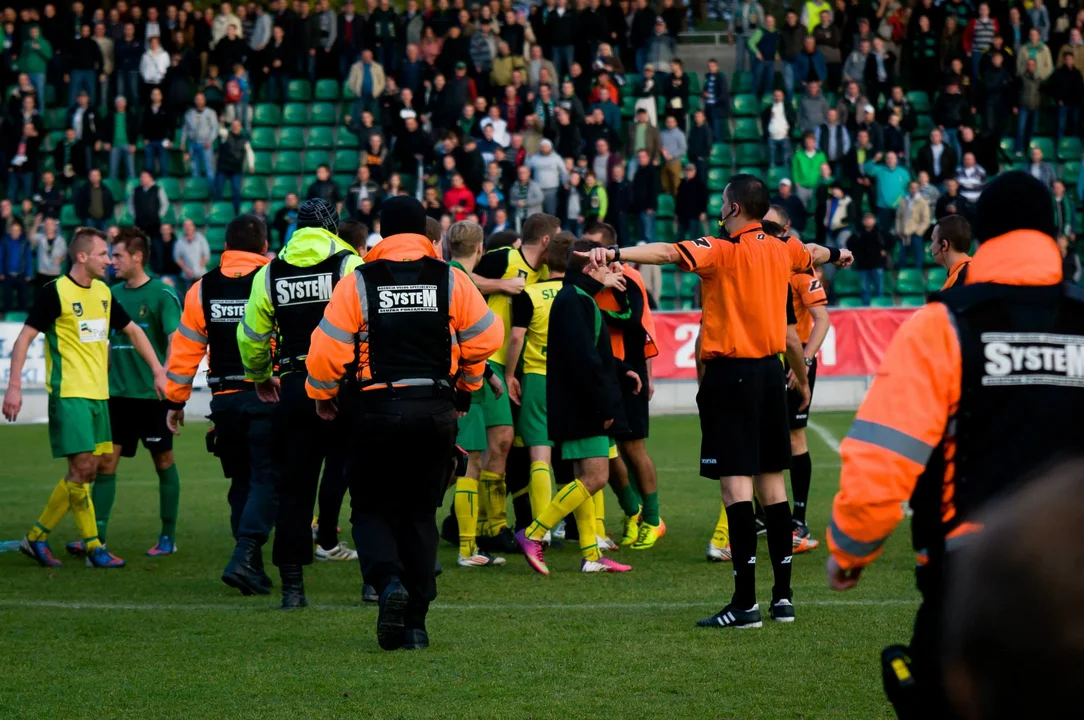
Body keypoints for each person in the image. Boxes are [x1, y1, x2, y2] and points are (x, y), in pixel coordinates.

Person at [826, 172, 1081, 716]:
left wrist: (850, 551)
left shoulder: (942, 323)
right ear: (1056, 233)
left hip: (970, 577)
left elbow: (884, 452)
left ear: (983, 235)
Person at [578, 174, 851, 627]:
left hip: (733, 375)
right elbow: (817, 254)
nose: (720, 210)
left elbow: (667, 252)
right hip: (769, 374)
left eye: (724, 203)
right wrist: (839, 254)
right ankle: (782, 598)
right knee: (773, 487)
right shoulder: (785, 248)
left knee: (736, 488)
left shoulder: (722, 249)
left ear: (735, 209)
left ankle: (745, 604)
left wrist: (616, 253)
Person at [305, 195, 502, 649]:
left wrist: (321, 397)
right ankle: (416, 623)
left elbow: (326, 351)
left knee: (371, 509)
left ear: (383, 232)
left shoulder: (359, 281)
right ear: (425, 233)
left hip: (376, 411)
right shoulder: (450, 278)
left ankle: (388, 583)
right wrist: (466, 389)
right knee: (419, 515)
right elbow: (485, 339)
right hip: (435, 411)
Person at [3, 227, 166, 569]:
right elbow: (23, 339)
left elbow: (133, 331)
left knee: (87, 473)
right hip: (69, 394)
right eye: (103, 254)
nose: (109, 260)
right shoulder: (56, 293)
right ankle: (94, 547)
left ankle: (35, 537)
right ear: (82, 257)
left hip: (98, 397)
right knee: (83, 467)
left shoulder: (104, 293)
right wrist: (14, 386)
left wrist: (157, 371)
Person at [235, 199, 364, 608]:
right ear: (333, 226)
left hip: (293, 384)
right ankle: (373, 582)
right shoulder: (348, 263)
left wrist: (259, 376)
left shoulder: (270, 271)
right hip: (344, 386)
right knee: (361, 484)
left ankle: (292, 587)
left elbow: (252, 336)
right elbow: (367, 323)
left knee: (295, 489)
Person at [165, 215, 275, 593]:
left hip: (224, 401)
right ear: (263, 246)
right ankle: (245, 554)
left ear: (225, 246)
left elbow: (185, 350)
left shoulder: (202, 288)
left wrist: (175, 400)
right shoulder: (272, 279)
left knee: (241, 482)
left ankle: (251, 568)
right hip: (265, 395)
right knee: (267, 478)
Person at [513, 238, 634, 575]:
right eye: (603, 262)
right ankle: (534, 532)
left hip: (578, 404)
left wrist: (620, 372)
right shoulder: (574, 299)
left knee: (583, 478)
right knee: (596, 477)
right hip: (585, 407)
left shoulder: (577, 297)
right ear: (588, 266)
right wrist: (605, 405)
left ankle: (591, 555)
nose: (609, 268)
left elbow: (587, 352)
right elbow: (584, 360)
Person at [69, 228, 182, 558]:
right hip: (116, 396)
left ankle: (167, 536)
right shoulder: (108, 293)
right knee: (106, 464)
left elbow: (176, 343)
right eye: (109, 255)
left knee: (164, 461)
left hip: (152, 398)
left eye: (117, 255)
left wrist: (175, 391)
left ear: (137, 256)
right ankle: (97, 537)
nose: (112, 261)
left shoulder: (162, 294)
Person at [470, 215, 556, 553]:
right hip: (491, 360)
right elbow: (463, 279)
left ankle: (490, 523)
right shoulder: (505, 258)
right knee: (499, 442)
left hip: (520, 369)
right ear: (546, 241)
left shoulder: (547, 274)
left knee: (509, 446)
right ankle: (491, 525)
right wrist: (501, 286)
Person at [582, 221, 664, 550]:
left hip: (627, 372)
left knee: (633, 448)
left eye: (598, 248)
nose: (594, 254)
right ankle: (632, 511)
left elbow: (634, 323)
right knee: (603, 449)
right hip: (598, 372)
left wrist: (648, 375)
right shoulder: (587, 278)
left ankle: (654, 519)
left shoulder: (628, 278)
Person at [765, 205, 830, 554]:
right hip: (764, 356)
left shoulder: (802, 270)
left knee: (794, 436)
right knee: (764, 436)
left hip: (794, 359)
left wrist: (803, 360)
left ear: (786, 229)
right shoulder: (760, 263)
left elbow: (822, 319)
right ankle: (767, 514)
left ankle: (798, 519)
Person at [444, 222, 507, 568]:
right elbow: (467, 336)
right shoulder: (458, 281)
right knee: (468, 464)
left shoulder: (449, 276)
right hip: (459, 384)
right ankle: (467, 549)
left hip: (466, 378)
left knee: (473, 460)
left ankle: (470, 543)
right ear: (480, 248)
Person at [932, 214, 973, 289]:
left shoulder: (961, 279)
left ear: (944, 245)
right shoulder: (973, 270)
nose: (931, 247)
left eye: (933, 240)